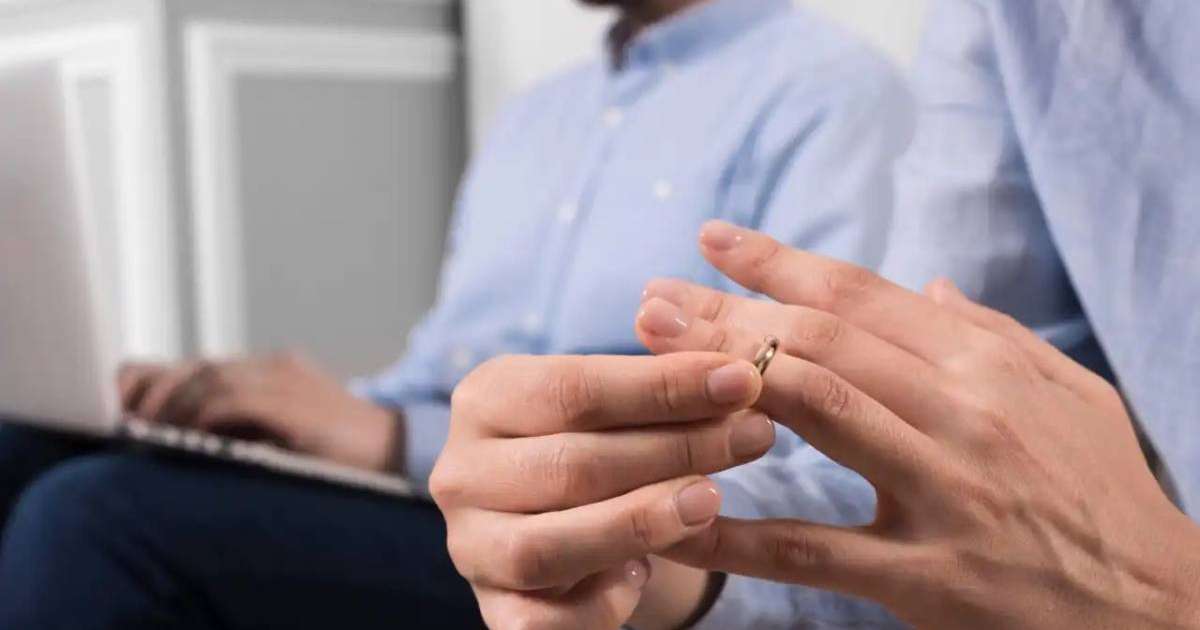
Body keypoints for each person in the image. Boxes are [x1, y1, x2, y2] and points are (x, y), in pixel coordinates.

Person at [0, 0, 913, 627]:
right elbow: (443, 368)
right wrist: (293, 415)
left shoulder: (833, 95)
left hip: (579, 540)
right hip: (432, 488)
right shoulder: (535, 119)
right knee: (27, 453)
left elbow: (788, 440)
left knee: (88, 519)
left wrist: (391, 436)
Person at [435, 0, 1200, 627]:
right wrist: (644, 547)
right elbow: (948, 495)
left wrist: (1166, 590)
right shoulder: (1028, 22)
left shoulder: (831, 87)